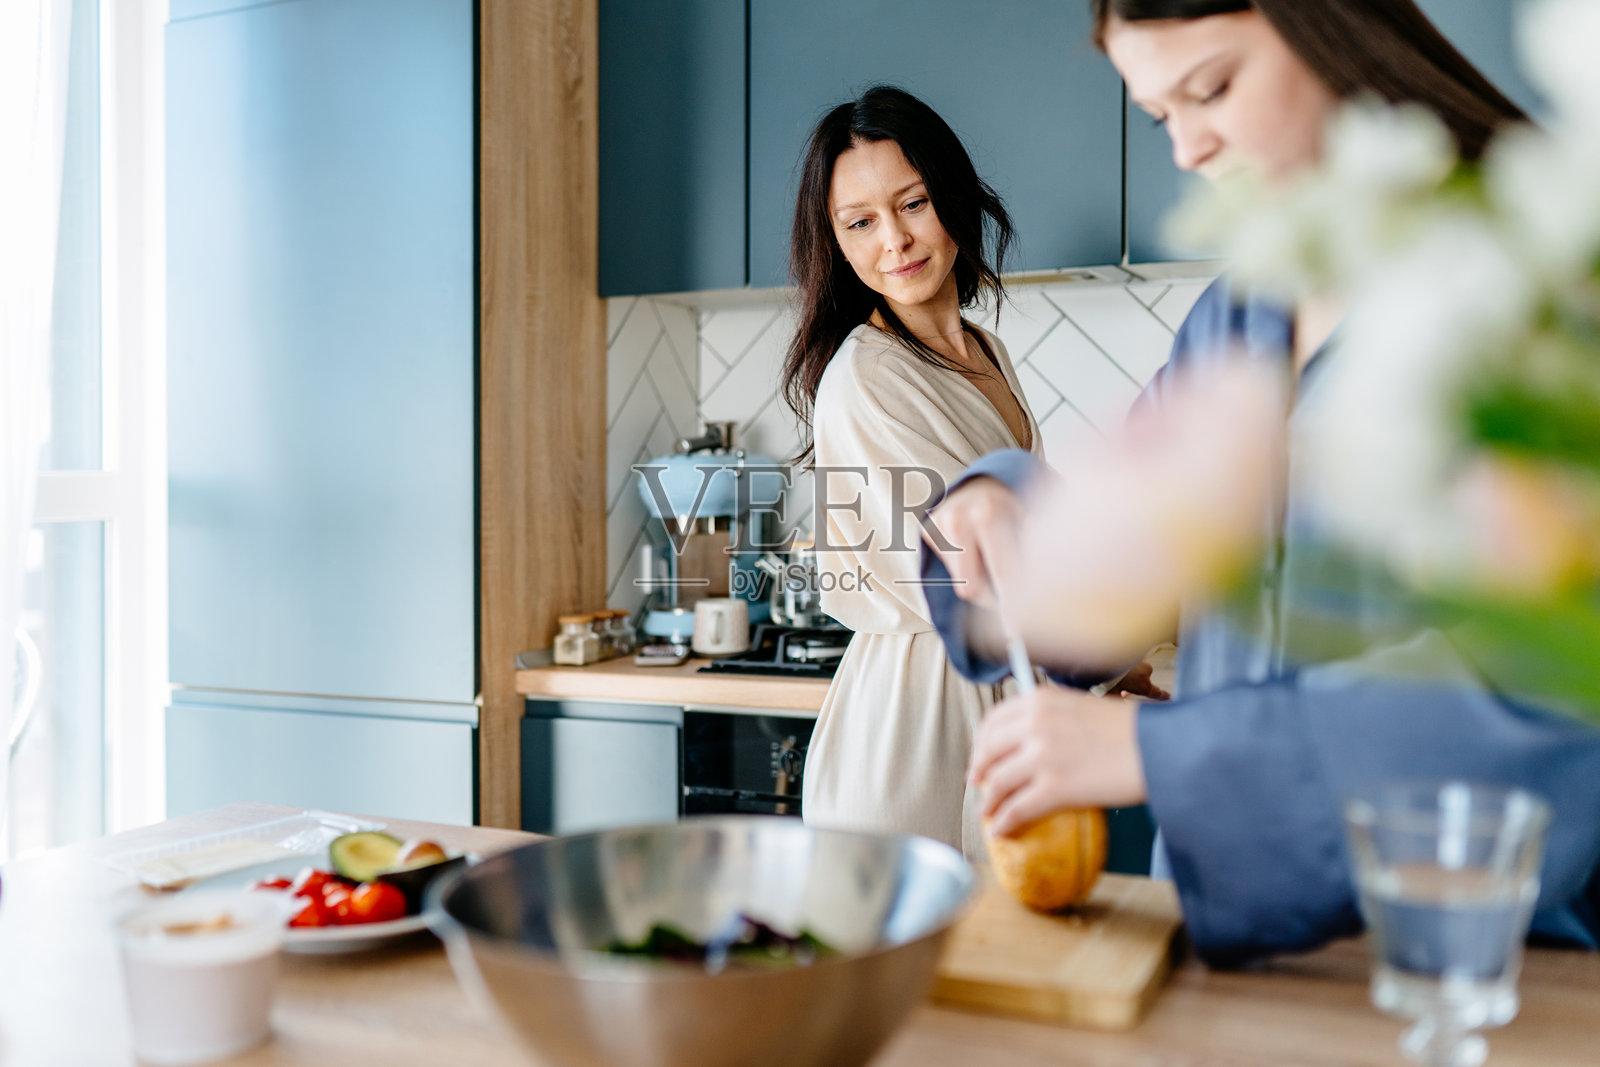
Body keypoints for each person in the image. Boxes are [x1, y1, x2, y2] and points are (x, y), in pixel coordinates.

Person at [921, 0, 1600, 965]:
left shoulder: (1536, 292)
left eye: (1212, 88)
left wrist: (1155, 754)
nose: (1190, 148)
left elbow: (1548, 696)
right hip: (1232, 963)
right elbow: (1122, 558)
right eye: (1161, 115)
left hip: (1486, 964)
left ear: (1337, 25)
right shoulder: (1240, 316)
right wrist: (1001, 516)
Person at [780, 86, 1043, 858]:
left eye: (914, 203)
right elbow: (971, 576)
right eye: (860, 222)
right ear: (836, 242)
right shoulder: (866, 375)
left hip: (1000, 695)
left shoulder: (988, 353)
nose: (893, 239)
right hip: (914, 726)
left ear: (952, 195)